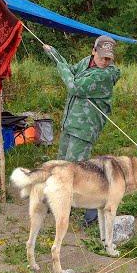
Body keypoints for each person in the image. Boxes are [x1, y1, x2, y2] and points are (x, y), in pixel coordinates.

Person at [42, 35, 121, 226]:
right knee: (62, 165)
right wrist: (55, 55)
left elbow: (74, 86)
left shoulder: (104, 75)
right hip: (70, 124)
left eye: (109, 58)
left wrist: (60, 67)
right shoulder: (87, 62)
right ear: (94, 51)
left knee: (76, 171)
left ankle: (93, 209)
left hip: (85, 128)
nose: (105, 61)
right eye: (102, 57)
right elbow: (71, 70)